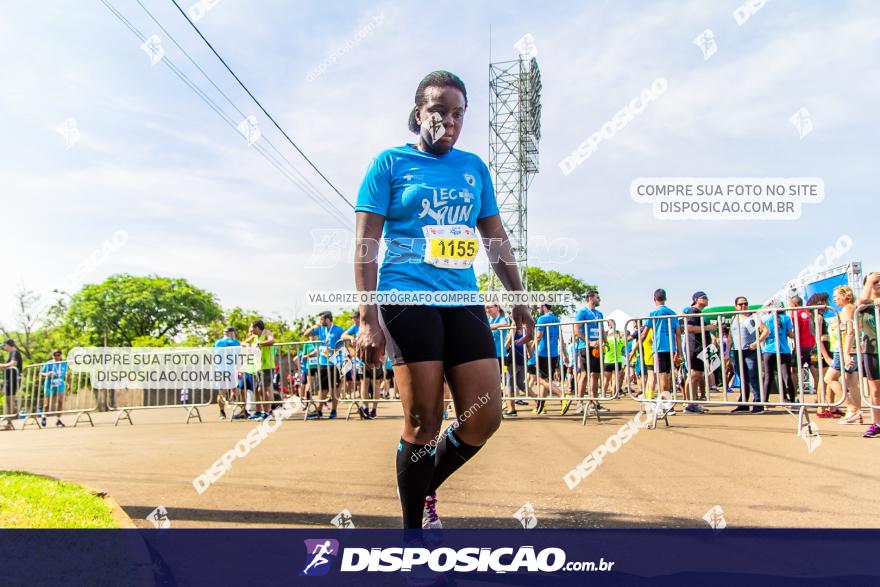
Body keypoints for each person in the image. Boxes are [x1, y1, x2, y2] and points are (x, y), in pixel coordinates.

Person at [353, 70, 534, 529]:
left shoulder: (474, 168)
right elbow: (366, 243)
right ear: (419, 115)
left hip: (462, 298)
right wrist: (367, 317)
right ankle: (415, 533)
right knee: (423, 419)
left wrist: (518, 298)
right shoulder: (390, 164)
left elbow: (495, 238)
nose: (449, 122)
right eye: (438, 111)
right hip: (406, 296)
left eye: (458, 114)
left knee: (484, 416)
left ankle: (421, 485)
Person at [641, 289, 681, 409]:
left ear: (654, 299)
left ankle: (666, 405)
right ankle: (667, 403)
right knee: (667, 377)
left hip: (659, 348)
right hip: (670, 347)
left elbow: (644, 333)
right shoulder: (672, 312)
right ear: (665, 298)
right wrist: (679, 351)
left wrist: (635, 348)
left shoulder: (653, 313)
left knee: (662, 377)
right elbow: (678, 333)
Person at [569, 290, 604, 416]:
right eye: (597, 297)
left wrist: (604, 341)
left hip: (597, 348)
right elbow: (576, 330)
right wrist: (589, 342)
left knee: (595, 375)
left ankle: (594, 403)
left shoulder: (599, 314)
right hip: (585, 347)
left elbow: (602, 329)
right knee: (584, 375)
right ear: (590, 298)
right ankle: (579, 403)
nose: (599, 299)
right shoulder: (582, 312)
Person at [830, 286, 862, 424]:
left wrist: (846, 353)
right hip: (848, 349)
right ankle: (857, 413)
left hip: (844, 349)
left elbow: (850, 331)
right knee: (852, 382)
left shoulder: (848, 308)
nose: (834, 298)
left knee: (829, 378)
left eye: (837, 295)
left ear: (845, 295)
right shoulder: (848, 308)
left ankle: (851, 407)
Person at [305, 312, 344, 420]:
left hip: (335, 363)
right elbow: (306, 334)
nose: (320, 321)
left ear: (327, 320)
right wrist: (314, 326)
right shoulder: (320, 328)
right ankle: (319, 410)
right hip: (322, 363)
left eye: (321, 320)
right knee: (322, 388)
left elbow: (344, 343)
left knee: (334, 388)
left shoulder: (338, 329)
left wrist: (333, 350)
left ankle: (334, 411)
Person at [728, 297, 763, 413]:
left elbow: (765, 331)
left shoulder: (752, 317)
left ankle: (758, 403)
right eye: (740, 304)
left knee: (753, 377)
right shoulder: (734, 318)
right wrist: (726, 353)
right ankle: (743, 403)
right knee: (742, 378)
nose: (743, 306)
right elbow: (730, 337)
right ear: (736, 306)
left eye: (745, 303)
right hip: (737, 351)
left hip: (750, 351)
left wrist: (756, 343)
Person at [682, 291, 715, 413]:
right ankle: (689, 404)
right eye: (704, 298)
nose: (707, 300)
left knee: (697, 375)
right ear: (696, 299)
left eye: (707, 297)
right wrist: (708, 328)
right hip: (695, 347)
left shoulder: (699, 313)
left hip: (701, 347)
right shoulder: (693, 311)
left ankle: (692, 402)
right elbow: (689, 328)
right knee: (694, 375)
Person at [808, 292, 841, 418]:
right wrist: (826, 356)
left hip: (821, 349)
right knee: (824, 380)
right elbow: (818, 337)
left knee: (824, 380)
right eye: (824, 301)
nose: (827, 304)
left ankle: (829, 408)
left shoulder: (815, 315)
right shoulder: (818, 317)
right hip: (821, 350)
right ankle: (822, 408)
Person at [757, 303, 796, 405]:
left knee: (768, 376)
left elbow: (762, 334)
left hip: (769, 350)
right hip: (783, 350)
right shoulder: (786, 318)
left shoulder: (765, 318)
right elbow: (790, 334)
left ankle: (764, 401)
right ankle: (793, 400)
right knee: (786, 376)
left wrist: (763, 347)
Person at [857, 272, 880, 437]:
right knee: (875, 391)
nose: (878, 284)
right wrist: (870, 280)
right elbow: (862, 300)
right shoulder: (865, 306)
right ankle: (876, 423)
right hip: (871, 350)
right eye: (875, 282)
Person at [534, 303, 566, 414]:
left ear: (544, 307)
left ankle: (562, 395)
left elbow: (538, 336)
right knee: (547, 380)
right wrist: (565, 354)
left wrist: (531, 348)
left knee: (539, 379)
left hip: (543, 352)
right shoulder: (556, 319)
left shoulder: (541, 319)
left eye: (538, 307)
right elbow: (561, 338)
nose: (538, 309)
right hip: (553, 353)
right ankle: (541, 405)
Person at [243, 320, 275, 420]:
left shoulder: (267, 333)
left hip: (267, 366)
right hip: (258, 366)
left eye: (252, 327)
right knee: (258, 390)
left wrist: (260, 344)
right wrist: (247, 345)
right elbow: (243, 342)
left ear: (257, 327)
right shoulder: (255, 336)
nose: (251, 329)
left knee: (262, 389)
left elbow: (272, 341)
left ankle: (267, 412)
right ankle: (260, 411)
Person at [789, 295, 818, 398]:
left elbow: (796, 329)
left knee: (794, 369)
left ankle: (794, 397)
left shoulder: (795, 313)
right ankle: (819, 396)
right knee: (814, 369)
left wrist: (791, 335)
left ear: (794, 304)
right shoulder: (809, 312)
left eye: (790, 304)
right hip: (813, 346)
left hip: (801, 346)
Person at [214, 326, 241, 420]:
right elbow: (239, 356)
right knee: (237, 390)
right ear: (232, 333)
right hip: (232, 370)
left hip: (221, 369)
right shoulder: (235, 342)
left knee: (222, 392)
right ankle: (242, 409)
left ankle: (222, 412)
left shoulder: (218, 342)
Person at [39, 349, 68, 427]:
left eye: (58, 355)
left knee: (60, 402)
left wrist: (69, 384)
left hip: (60, 384)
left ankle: (58, 419)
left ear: (61, 355)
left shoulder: (64, 363)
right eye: (54, 355)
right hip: (49, 384)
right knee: (46, 404)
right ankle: (44, 416)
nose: (56, 356)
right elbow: (41, 373)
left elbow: (67, 374)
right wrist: (48, 374)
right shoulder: (49, 363)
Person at [1, 339, 23, 430]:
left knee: (10, 400)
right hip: (8, 380)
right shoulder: (11, 354)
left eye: (4, 346)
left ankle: (11, 420)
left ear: (9, 345)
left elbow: (13, 363)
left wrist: (2, 365)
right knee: (8, 400)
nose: (3, 348)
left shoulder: (15, 352)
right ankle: (9, 421)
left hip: (13, 380)